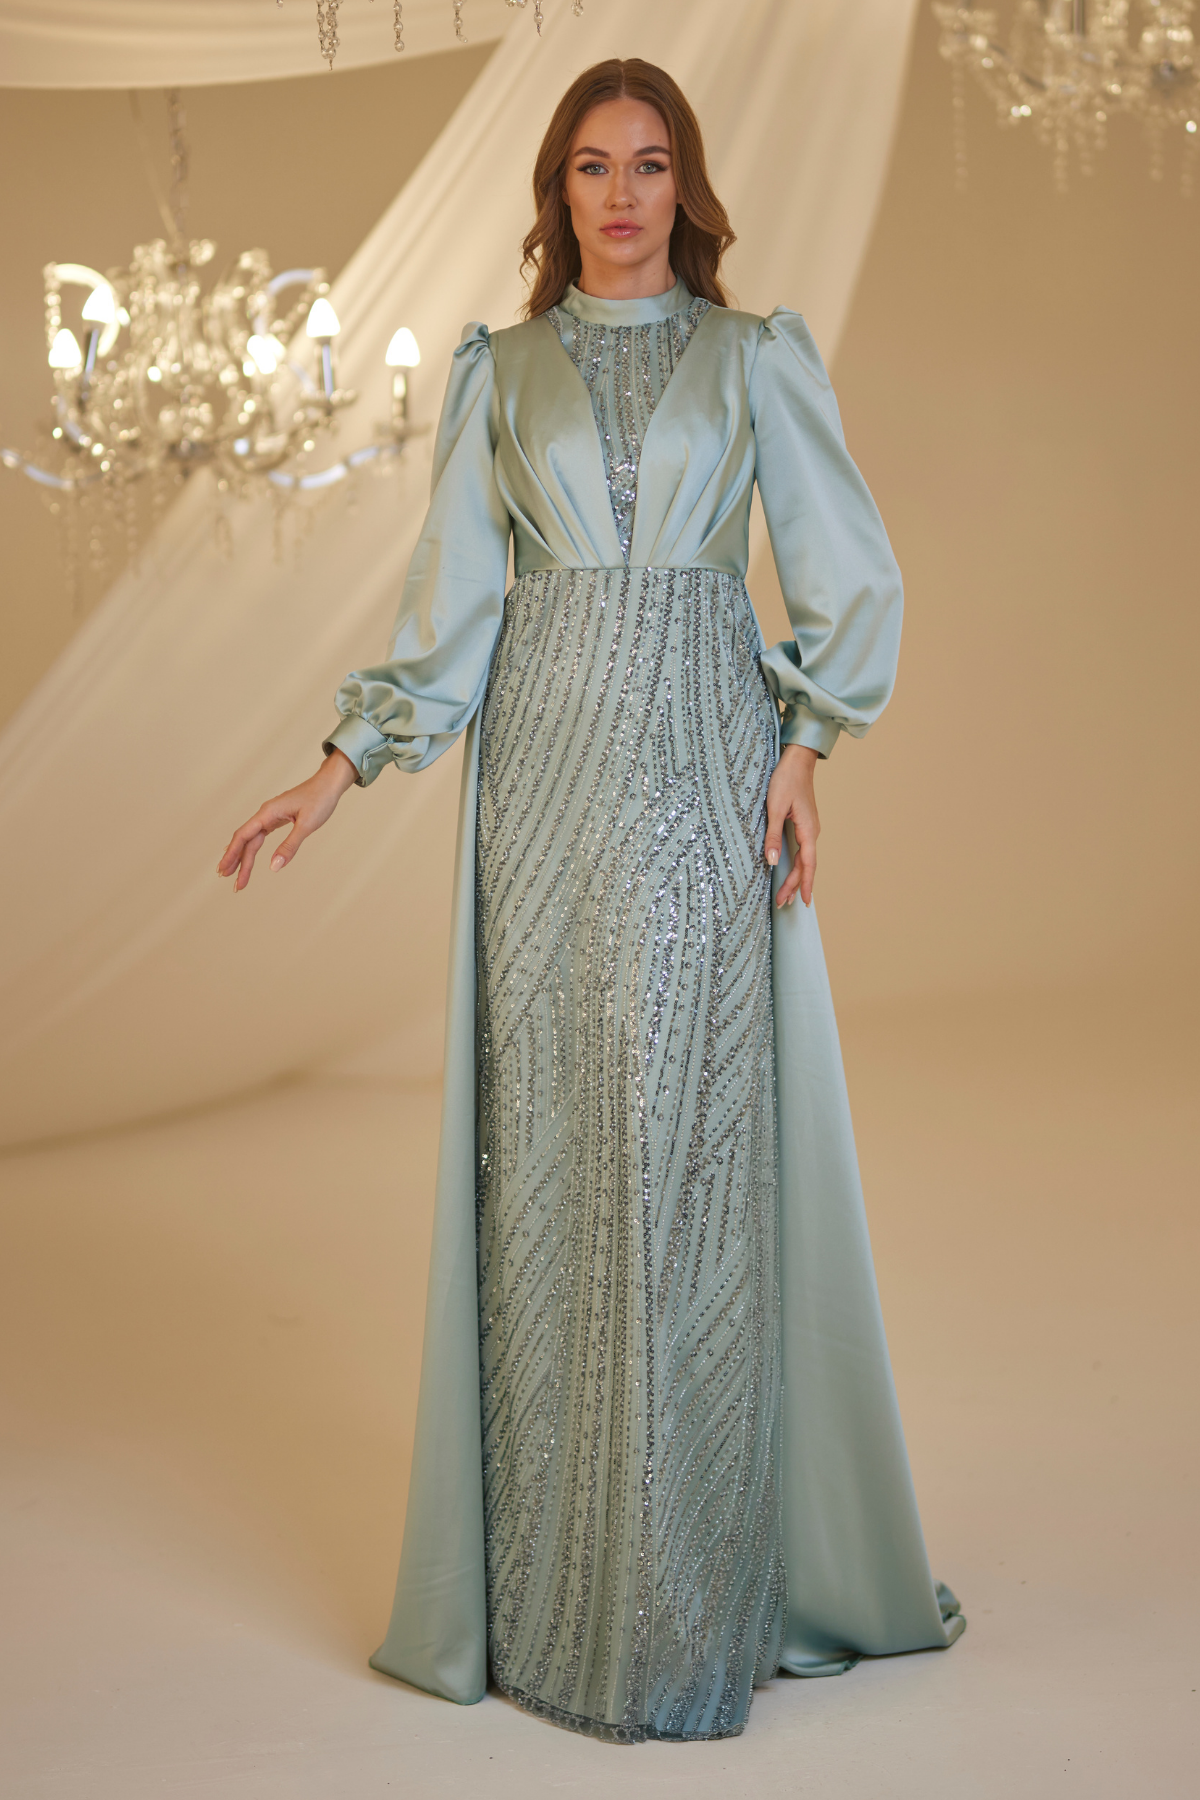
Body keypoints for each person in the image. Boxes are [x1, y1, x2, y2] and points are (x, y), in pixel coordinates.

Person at [219, 57, 962, 1745]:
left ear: (686, 184)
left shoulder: (756, 356)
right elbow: (450, 616)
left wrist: (807, 748)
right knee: (558, 1158)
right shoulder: (501, 374)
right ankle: (563, 1600)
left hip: (705, 760)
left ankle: (691, 1593)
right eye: (590, 168)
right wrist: (336, 770)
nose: (621, 196)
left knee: (687, 1145)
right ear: (556, 193)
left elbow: (847, 573)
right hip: (542, 790)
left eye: (649, 164)